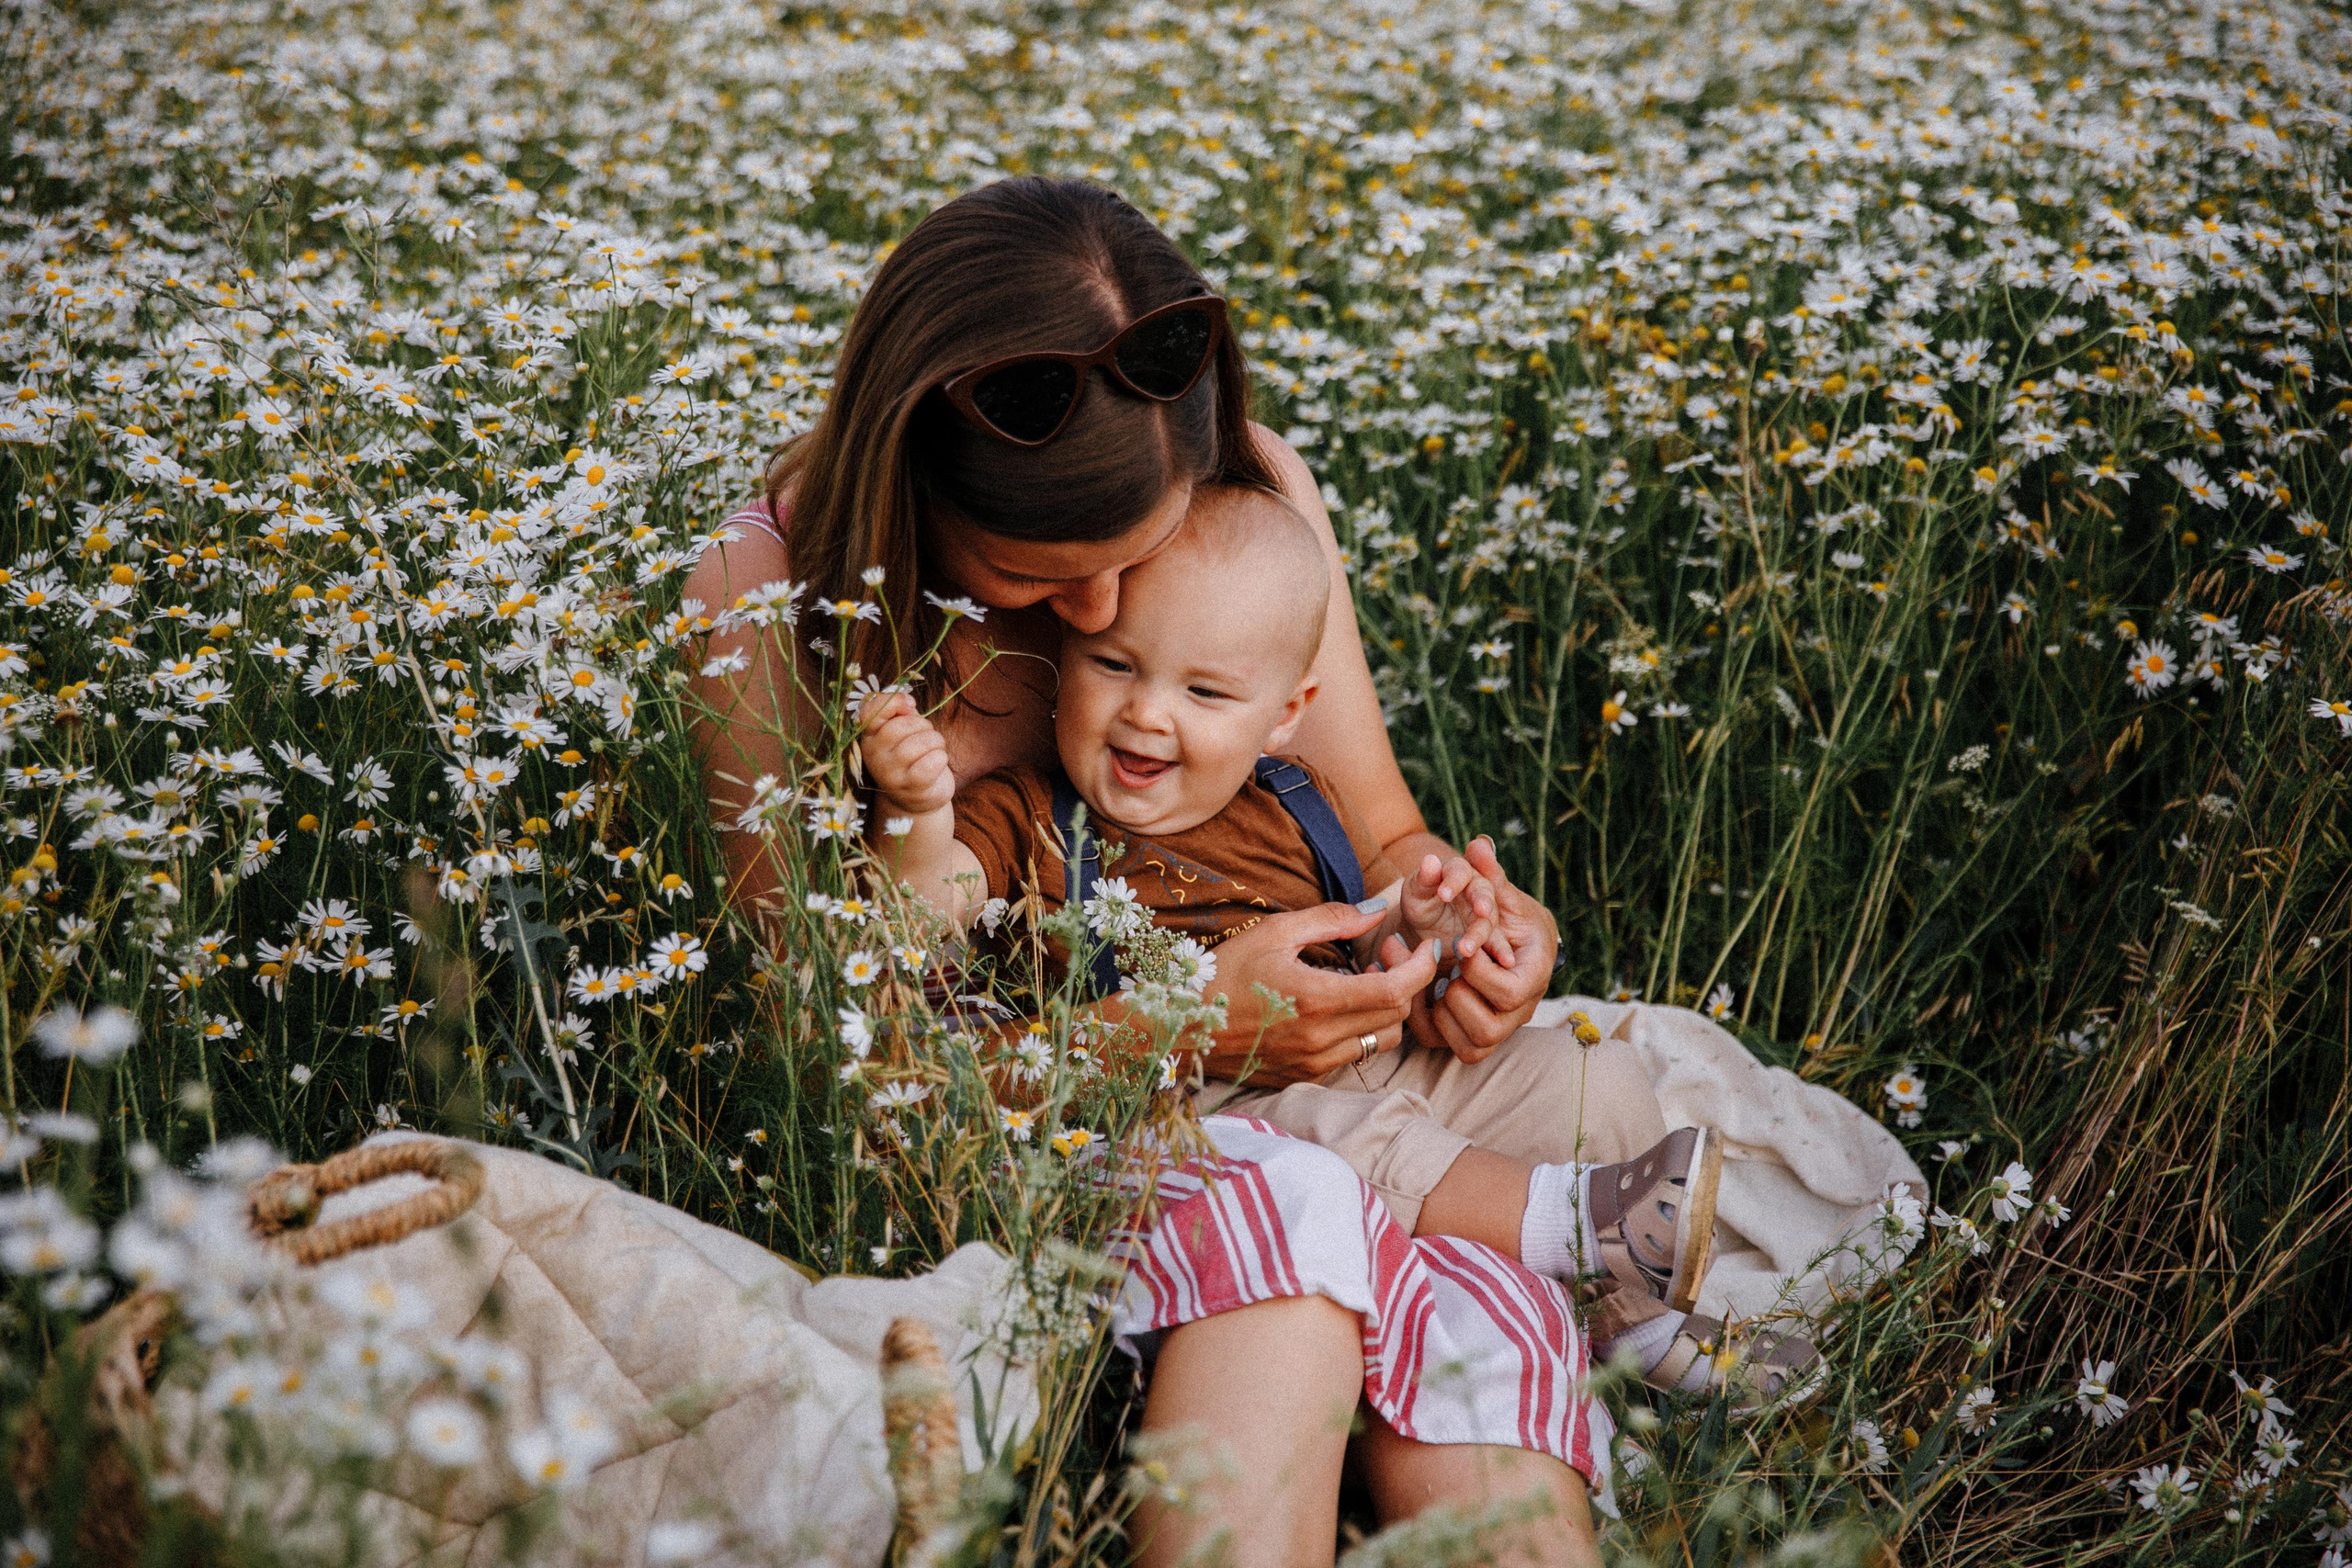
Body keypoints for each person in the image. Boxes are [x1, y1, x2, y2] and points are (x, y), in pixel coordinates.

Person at [684, 175, 1668, 1567]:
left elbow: (1380, 830)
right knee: (1304, 1199)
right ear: (917, 491)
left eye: (1140, 552)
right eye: (1040, 575)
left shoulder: (1242, 483)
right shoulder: (763, 593)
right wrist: (1179, 1022)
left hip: (1313, 1062)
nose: (1101, 611)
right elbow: (834, 1052)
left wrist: (1472, 931)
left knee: (1556, 1134)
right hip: (1038, 1119)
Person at [854, 482, 1725, 1375]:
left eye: (1203, 689)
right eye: (1113, 665)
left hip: (1361, 1060)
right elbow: (922, 910)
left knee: (1592, 1076)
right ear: (1065, 656)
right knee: (1332, 1140)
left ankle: (1638, 1331)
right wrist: (916, 811)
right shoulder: (1028, 815)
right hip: (1193, 1102)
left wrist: (1429, 932)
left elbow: (1368, 923)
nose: (1147, 711)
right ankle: (1568, 1224)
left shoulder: (1298, 798)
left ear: (1282, 713)